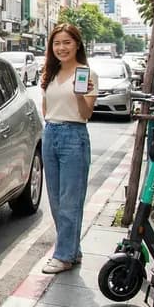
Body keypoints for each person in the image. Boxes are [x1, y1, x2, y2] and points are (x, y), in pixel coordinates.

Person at [40, 24, 98, 274]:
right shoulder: (49, 73)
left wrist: (78, 94)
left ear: (77, 45)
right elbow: (45, 107)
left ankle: (63, 256)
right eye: (57, 43)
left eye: (67, 42)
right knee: (55, 199)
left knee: (70, 201)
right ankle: (73, 250)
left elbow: (86, 113)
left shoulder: (86, 73)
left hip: (74, 135)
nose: (61, 48)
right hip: (50, 133)